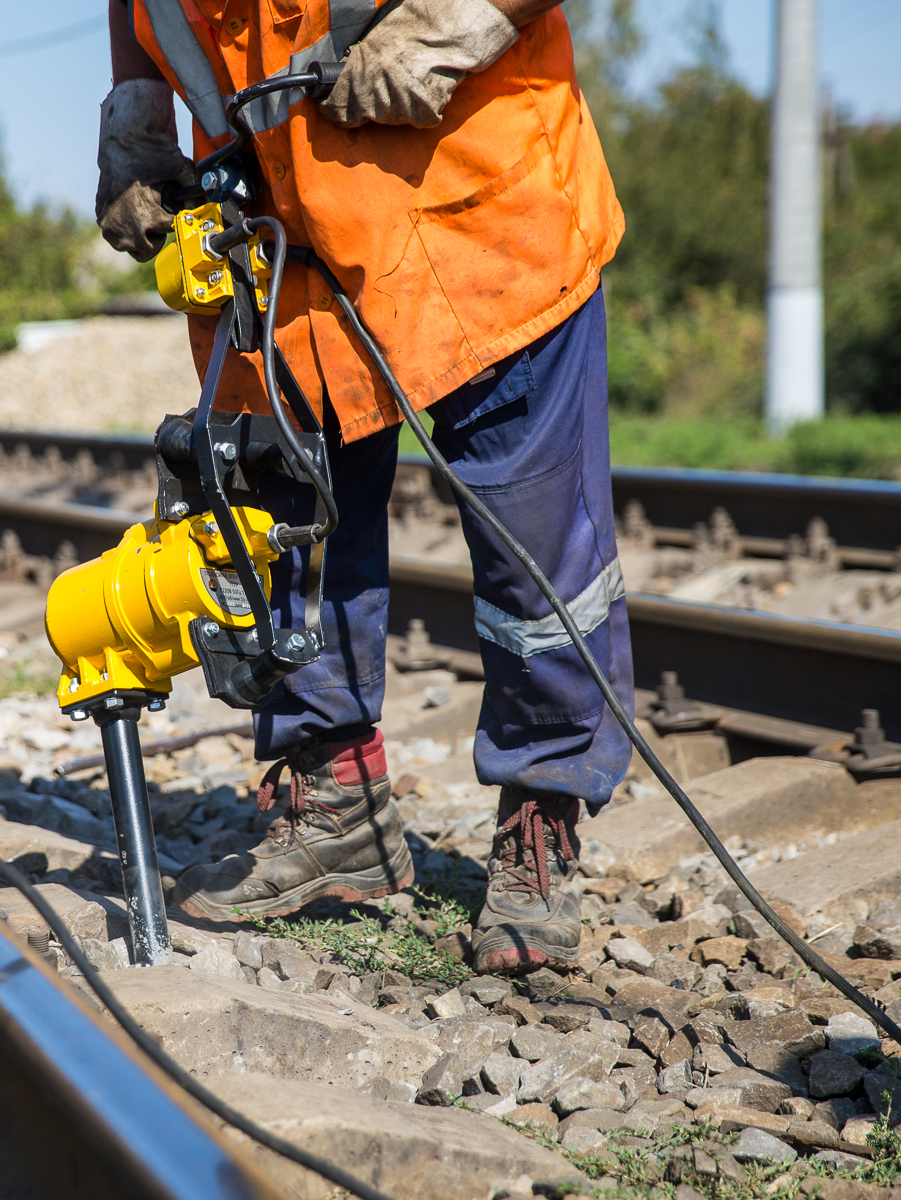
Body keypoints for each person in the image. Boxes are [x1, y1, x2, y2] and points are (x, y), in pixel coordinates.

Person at [98, 0, 630, 975]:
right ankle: (335, 805)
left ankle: (541, 823)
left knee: (535, 546)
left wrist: (452, 21)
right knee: (284, 520)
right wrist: (137, 113)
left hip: (473, 205)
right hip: (275, 230)